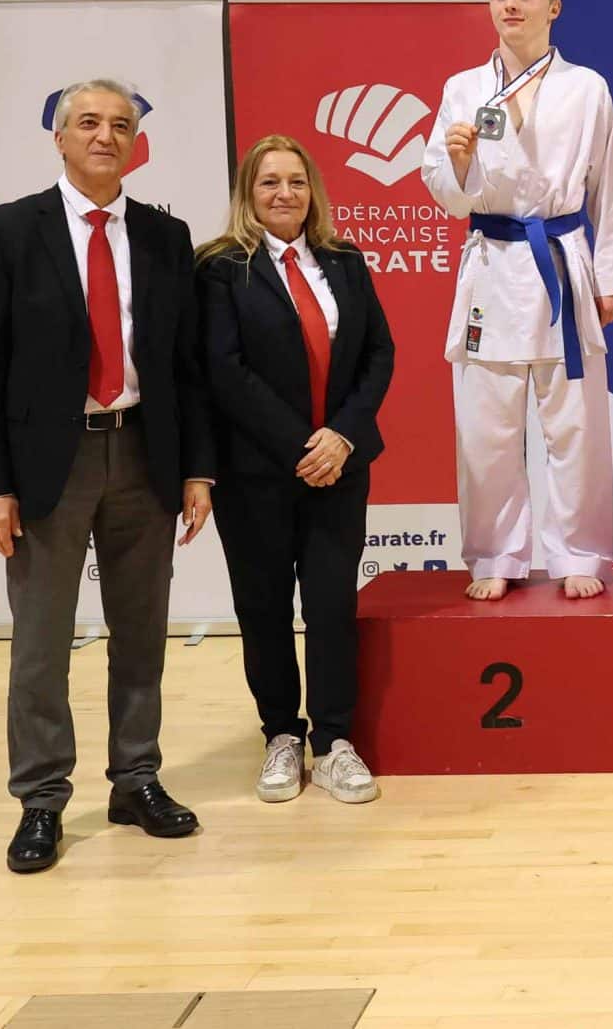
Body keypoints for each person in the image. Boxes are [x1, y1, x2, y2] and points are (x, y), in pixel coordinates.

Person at [0, 79, 215, 874]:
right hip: (47, 464)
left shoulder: (167, 238)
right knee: (40, 643)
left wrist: (198, 469)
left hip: (144, 453)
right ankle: (41, 798)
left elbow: (187, 367)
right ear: (60, 139)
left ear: (138, 144)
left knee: (140, 635)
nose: (105, 135)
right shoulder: (5, 232)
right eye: (89, 123)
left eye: (121, 125)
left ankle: (135, 778)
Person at [422, 0, 613, 601]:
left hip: (561, 259)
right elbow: (441, 187)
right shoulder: (463, 88)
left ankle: (580, 551)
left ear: (554, 7)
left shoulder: (586, 86)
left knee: (575, 427)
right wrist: (458, 163)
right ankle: (494, 553)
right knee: (487, 428)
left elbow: (612, 186)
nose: (510, 6)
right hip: (492, 263)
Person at [198, 135, 395, 805]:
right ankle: (281, 733)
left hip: (340, 467)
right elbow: (225, 370)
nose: (284, 193)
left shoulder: (344, 260)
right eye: (268, 182)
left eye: (296, 181)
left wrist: (340, 436)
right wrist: (300, 445)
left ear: (313, 191)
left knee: (333, 605)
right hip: (257, 473)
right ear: (247, 195)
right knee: (263, 609)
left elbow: (379, 353)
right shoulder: (222, 268)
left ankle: (334, 741)